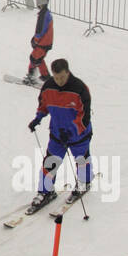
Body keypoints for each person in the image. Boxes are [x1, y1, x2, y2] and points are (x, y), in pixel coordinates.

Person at [26, 58, 93, 211]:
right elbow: (44, 105)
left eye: (62, 77)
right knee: (50, 162)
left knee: (81, 159)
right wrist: (37, 118)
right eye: (56, 77)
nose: (59, 80)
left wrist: (71, 131)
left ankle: (84, 182)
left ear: (68, 72)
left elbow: (84, 116)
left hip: (78, 135)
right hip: (57, 133)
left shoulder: (80, 89)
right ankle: (45, 191)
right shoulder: (48, 87)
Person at [25, 0, 54, 85]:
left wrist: (35, 40)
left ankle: (31, 77)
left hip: (42, 43)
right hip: (47, 42)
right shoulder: (46, 13)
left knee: (34, 58)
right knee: (39, 59)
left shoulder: (43, 15)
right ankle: (46, 77)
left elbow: (40, 30)